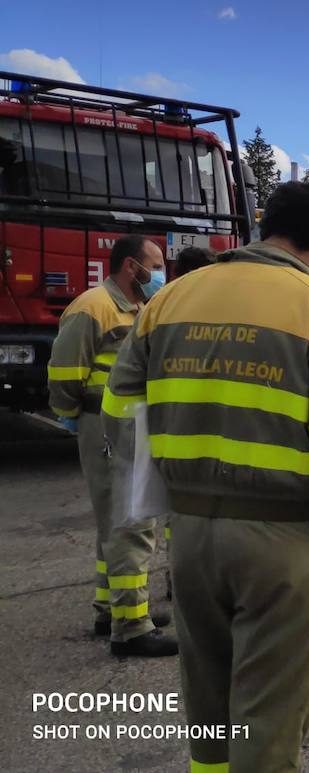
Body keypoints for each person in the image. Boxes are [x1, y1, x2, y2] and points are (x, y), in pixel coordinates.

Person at [103, 181, 309, 769]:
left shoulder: (169, 299)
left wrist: (165, 493)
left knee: (208, 708)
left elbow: (120, 413)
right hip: (288, 539)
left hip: (192, 535)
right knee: (271, 721)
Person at [48, 234, 175, 656]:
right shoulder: (92, 307)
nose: (161, 272)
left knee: (114, 522)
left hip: (126, 424)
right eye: (155, 264)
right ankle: (132, 626)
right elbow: (65, 371)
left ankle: (110, 608)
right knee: (129, 522)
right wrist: (72, 412)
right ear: (130, 267)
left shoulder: (138, 307)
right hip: (106, 424)